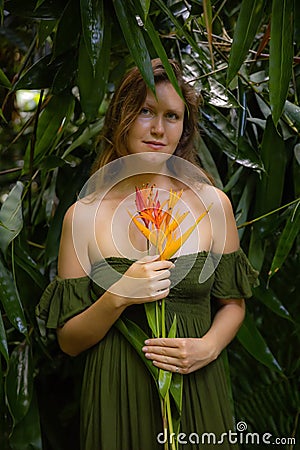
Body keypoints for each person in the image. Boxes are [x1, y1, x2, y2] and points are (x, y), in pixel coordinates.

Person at [36, 59, 258, 450]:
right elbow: (69, 341)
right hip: (115, 396)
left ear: (184, 130)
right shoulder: (83, 216)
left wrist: (207, 347)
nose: (158, 128)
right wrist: (117, 295)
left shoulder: (212, 205)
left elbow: (233, 305)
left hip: (197, 385)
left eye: (172, 116)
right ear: (121, 116)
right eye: (145, 112)